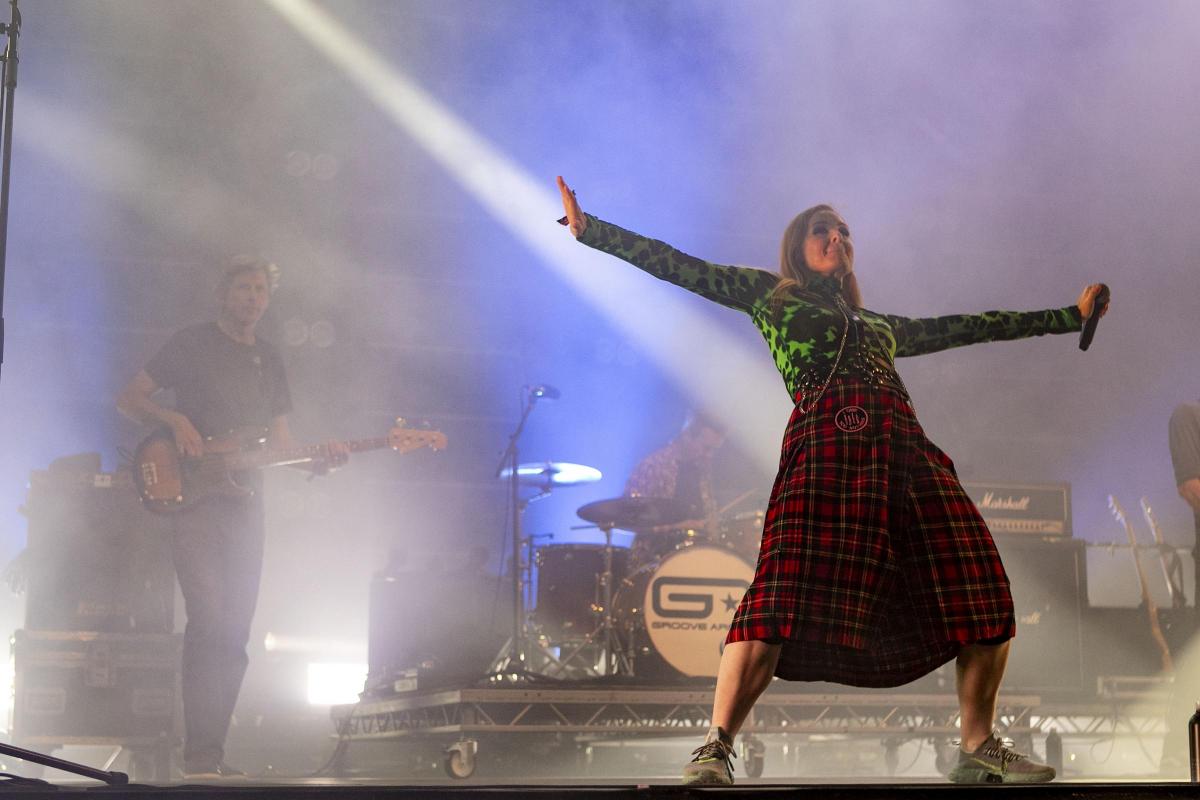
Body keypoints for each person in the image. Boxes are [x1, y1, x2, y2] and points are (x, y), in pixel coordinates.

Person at [556, 176, 1108, 785]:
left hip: (903, 452)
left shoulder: (880, 325)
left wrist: (1068, 316)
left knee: (982, 586)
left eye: (844, 232)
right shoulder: (771, 296)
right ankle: (715, 747)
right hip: (824, 445)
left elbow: (972, 325)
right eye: (824, 229)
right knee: (775, 595)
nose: (837, 237)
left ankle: (977, 745)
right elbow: (683, 267)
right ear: (798, 245)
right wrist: (592, 231)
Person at [117, 256, 348, 779]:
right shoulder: (190, 343)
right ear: (224, 294)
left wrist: (318, 463)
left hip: (246, 504)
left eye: (261, 289)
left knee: (236, 630)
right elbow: (129, 398)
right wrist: (173, 419)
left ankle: (210, 754)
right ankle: (198, 757)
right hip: (194, 500)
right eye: (244, 287)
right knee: (208, 619)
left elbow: (284, 445)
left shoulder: (269, 360)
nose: (253, 297)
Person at [624, 411, 726, 568]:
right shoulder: (653, 466)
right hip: (654, 564)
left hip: (696, 561)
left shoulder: (701, 470)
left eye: (714, 450)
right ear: (687, 436)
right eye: (706, 448)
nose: (709, 455)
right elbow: (629, 518)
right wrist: (676, 528)